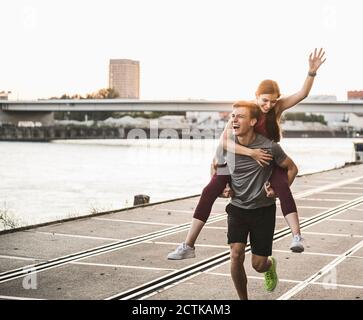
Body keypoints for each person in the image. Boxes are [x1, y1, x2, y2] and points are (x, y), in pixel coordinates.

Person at [167, 48, 326, 260]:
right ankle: (188, 245)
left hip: (268, 160)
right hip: (240, 160)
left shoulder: (276, 108)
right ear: (256, 97)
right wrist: (250, 154)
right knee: (209, 191)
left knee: (283, 188)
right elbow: (224, 142)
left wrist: (311, 72)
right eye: (264, 100)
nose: (268, 105)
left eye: (272, 101)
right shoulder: (244, 113)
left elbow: (302, 94)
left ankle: (297, 236)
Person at [226, 101, 298, 299]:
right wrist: (224, 188)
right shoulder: (228, 145)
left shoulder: (270, 147)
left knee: (258, 264)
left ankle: (269, 265)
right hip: (237, 208)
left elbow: (292, 168)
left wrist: (279, 190)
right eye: (233, 116)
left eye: (240, 116)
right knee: (236, 254)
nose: (234, 119)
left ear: (253, 121)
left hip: (263, 211)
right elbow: (216, 167)